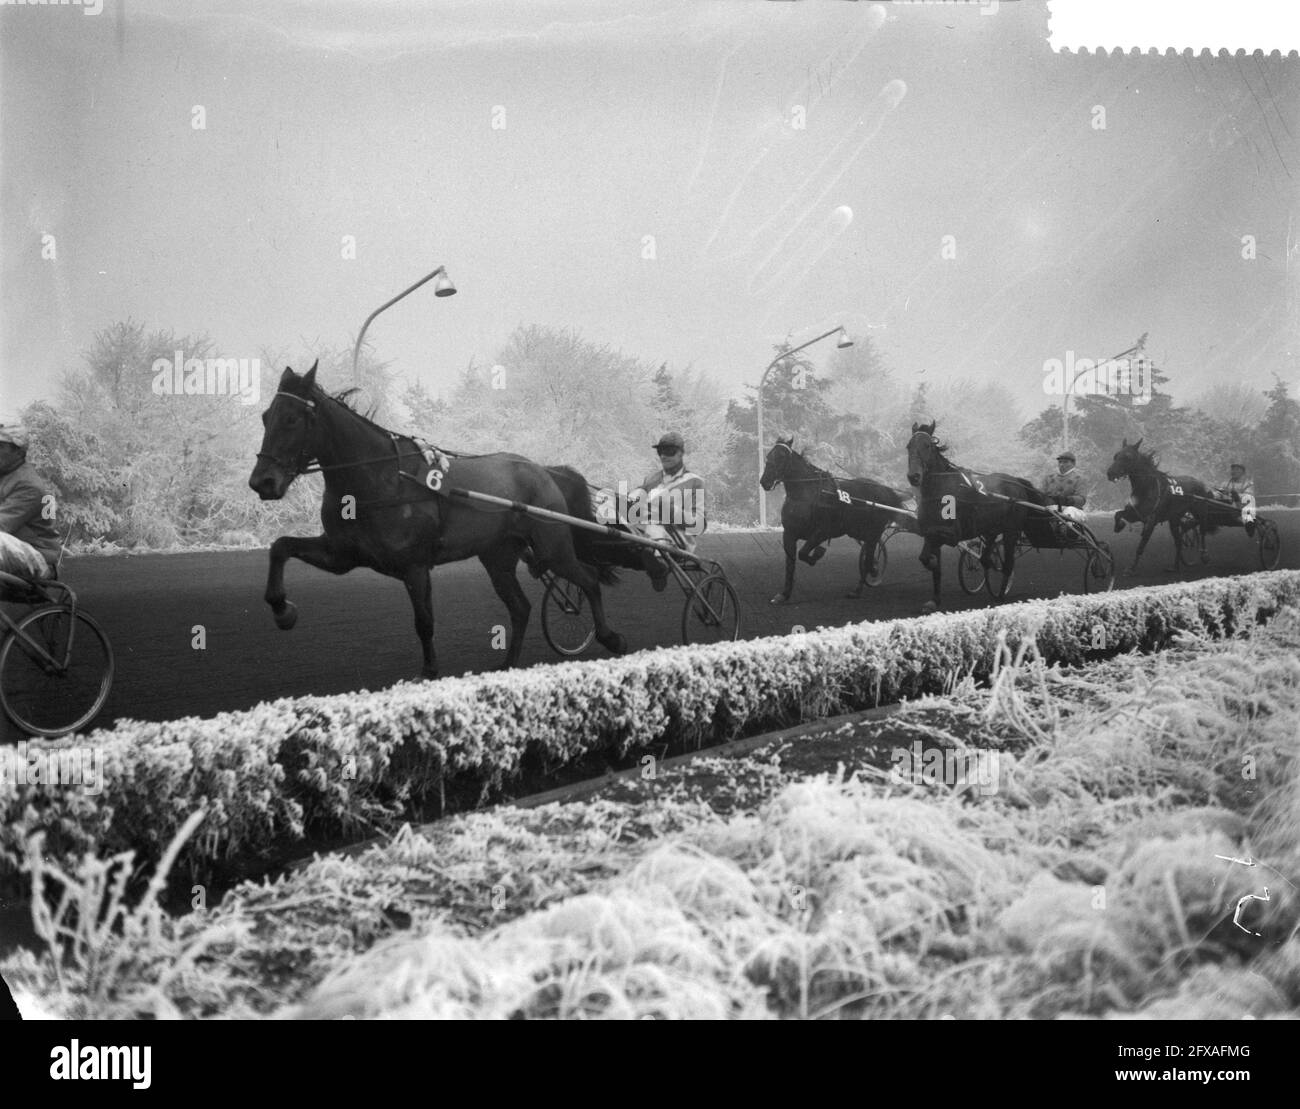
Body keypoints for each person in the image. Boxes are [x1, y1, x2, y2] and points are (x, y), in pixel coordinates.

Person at [628, 431, 706, 591]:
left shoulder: (695, 482)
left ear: (681, 453)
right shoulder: (651, 478)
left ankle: (658, 566)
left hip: (678, 538)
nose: (664, 456)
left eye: (669, 451)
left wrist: (667, 509)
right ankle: (652, 557)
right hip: (646, 533)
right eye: (660, 451)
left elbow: (698, 524)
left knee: (653, 527)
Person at [0, 424, 61, 581]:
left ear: (19, 451)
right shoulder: (6, 475)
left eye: (1, 446)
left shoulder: (28, 485)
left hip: (39, 559)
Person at [1042, 450, 1087, 525]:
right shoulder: (1048, 478)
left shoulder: (1080, 479)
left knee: (1070, 510)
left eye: (1065, 462)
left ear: (1073, 464)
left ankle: (1065, 531)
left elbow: (1082, 500)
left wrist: (1067, 500)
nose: (1062, 465)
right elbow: (1041, 494)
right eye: (1060, 462)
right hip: (1052, 509)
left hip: (1074, 510)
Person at [1216, 462, 1257, 536]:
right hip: (1225, 508)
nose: (1234, 471)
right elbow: (1219, 493)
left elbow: (1248, 496)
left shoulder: (1248, 484)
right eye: (1233, 469)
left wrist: (1236, 495)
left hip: (1241, 509)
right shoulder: (1225, 484)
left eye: (1237, 469)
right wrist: (1214, 494)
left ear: (1242, 472)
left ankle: (1249, 523)